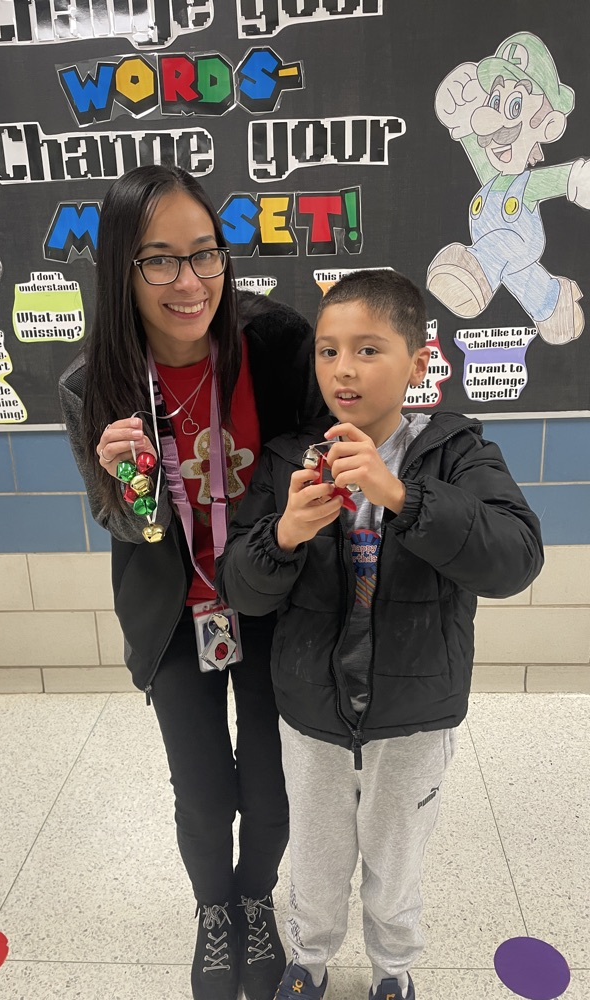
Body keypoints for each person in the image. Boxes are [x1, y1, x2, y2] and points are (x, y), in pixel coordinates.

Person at [215, 269, 544, 1000]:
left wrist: (400, 495)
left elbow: (516, 557)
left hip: (414, 711)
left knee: (395, 859)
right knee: (320, 857)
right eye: (328, 352)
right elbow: (241, 586)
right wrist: (287, 534)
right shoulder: (286, 460)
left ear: (418, 362)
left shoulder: (456, 453)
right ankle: (309, 957)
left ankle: (394, 970)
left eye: (368, 349)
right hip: (312, 711)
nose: (343, 369)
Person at [58, 164, 323, 1000]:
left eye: (205, 253)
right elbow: (133, 529)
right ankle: (215, 908)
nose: (190, 281)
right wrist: (130, 485)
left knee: (271, 788)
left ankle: (255, 901)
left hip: (271, 596)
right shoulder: (89, 386)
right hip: (177, 613)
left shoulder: (276, 344)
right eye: (159, 260)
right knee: (205, 793)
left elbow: (318, 466)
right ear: (119, 270)